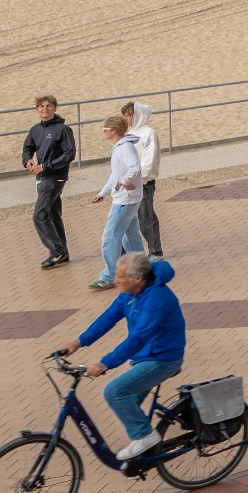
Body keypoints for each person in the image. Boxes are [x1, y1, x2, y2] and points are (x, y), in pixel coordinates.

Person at [56, 253, 185, 461]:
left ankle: (145, 436)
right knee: (128, 403)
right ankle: (146, 452)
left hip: (163, 359)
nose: (115, 280)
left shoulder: (156, 299)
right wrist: (78, 342)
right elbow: (108, 318)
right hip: (144, 357)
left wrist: (105, 363)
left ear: (138, 278)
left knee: (114, 391)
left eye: (120, 277)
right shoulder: (129, 294)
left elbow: (138, 338)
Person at [90, 114, 145, 291]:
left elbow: (135, 167)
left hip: (124, 201)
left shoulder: (124, 148)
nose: (103, 132)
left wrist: (125, 181)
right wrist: (103, 193)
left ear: (113, 131)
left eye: (105, 129)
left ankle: (109, 276)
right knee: (130, 236)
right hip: (129, 199)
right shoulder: (121, 147)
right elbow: (116, 175)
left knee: (110, 237)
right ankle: (142, 269)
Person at [23, 96, 76, 271]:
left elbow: (69, 154)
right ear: (37, 109)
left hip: (55, 178)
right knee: (53, 215)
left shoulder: (63, 130)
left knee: (39, 215)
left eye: (48, 105)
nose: (45, 108)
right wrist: (28, 161)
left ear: (54, 108)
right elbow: (27, 148)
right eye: (41, 106)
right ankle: (63, 252)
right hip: (41, 177)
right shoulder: (35, 130)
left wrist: (45, 166)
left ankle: (56, 251)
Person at [120, 101, 166, 261]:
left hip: (144, 184)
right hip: (128, 184)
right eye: (125, 116)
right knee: (123, 218)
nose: (126, 119)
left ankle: (156, 251)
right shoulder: (129, 134)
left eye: (129, 115)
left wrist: (139, 180)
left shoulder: (149, 134)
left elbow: (149, 161)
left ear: (137, 115)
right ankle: (122, 254)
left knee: (145, 217)